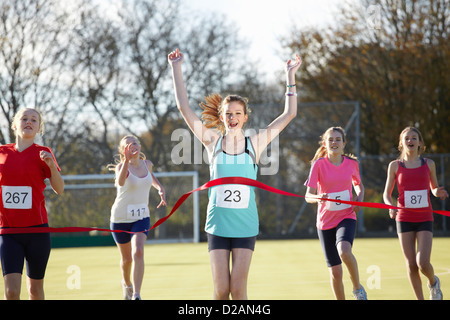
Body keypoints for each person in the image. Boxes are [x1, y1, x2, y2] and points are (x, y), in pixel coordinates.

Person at [168, 48, 301, 300]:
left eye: (237, 113)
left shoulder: (256, 144)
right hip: (217, 224)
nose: (232, 117)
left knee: (238, 291)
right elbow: (184, 107)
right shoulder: (212, 141)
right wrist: (176, 67)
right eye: (228, 113)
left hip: (245, 225)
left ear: (245, 117)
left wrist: (290, 75)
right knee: (220, 291)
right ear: (221, 116)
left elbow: (289, 114)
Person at [0, 108, 64, 300]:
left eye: (34, 120)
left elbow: (59, 189)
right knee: (11, 291)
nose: (29, 122)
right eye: (24, 118)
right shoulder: (1, 153)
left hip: (37, 232)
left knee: (35, 291)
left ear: (38, 128)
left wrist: (51, 165)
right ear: (14, 124)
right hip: (9, 233)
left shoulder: (44, 153)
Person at [383, 126, 448, 300]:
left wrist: (437, 192)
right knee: (411, 265)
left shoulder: (429, 164)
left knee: (422, 263)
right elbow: (386, 194)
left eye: (414, 138)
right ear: (401, 143)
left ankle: (433, 283)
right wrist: (391, 206)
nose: (410, 141)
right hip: (404, 218)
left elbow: (433, 188)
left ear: (420, 142)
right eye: (407, 138)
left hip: (424, 217)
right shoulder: (395, 166)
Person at [304, 126, 367, 300]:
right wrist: (318, 198)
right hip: (325, 223)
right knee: (336, 272)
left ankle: (357, 289)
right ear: (325, 143)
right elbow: (307, 195)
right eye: (330, 139)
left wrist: (359, 197)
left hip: (346, 216)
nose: (334, 142)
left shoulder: (352, 164)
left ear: (344, 143)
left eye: (338, 139)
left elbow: (358, 185)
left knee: (344, 251)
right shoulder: (318, 165)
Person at [108, 135, 166, 300]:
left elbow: (151, 178)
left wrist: (160, 188)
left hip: (141, 217)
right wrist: (126, 161)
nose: (132, 146)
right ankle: (127, 285)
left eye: (134, 143)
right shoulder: (121, 167)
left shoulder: (148, 164)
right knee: (126, 260)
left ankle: (137, 294)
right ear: (123, 150)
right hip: (120, 219)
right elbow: (120, 182)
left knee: (138, 252)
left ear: (139, 146)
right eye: (127, 145)